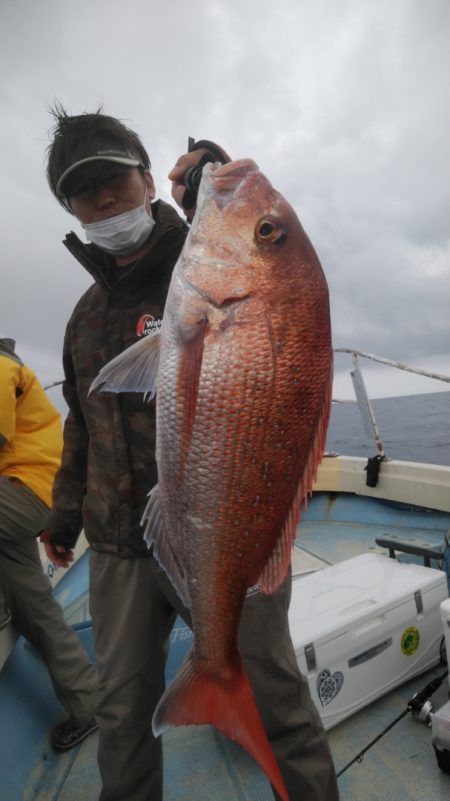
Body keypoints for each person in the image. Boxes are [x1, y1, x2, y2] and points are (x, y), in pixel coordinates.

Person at [42, 106, 339, 801]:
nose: (104, 200)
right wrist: (62, 515)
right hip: (117, 543)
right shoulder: (83, 318)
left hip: (227, 528)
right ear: (71, 208)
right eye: (84, 192)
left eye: (115, 180)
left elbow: (272, 281)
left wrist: (218, 173)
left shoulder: (194, 262)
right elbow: (79, 425)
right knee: (121, 718)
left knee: (280, 700)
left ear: (148, 179)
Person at [0, 337, 97, 751]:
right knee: (34, 609)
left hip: (25, 491)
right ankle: (89, 705)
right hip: (26, 495)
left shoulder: (0, 368)